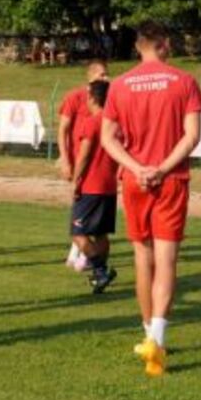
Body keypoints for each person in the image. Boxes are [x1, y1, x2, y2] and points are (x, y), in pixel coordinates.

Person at [101, 21, 201, 377]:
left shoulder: (119, 85)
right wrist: (161, 168)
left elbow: (108, 139)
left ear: (138, 46)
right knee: (167, 260)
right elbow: (191, 137)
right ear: (162, 44)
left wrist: (138, 168)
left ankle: (149, 335)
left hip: (134, 181)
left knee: (142, 259)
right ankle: (156, 340)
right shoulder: (184, 82)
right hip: (171, 180)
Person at [58, 60, 110, 269]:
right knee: (82, 210)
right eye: (102, 75)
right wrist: (65, 159)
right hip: (80, 163)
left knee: (85, 216)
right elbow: (63, 129)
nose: (106, 79)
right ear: (90, 77)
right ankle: (81, 255)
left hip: (96, 167)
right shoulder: (75, 97)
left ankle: (85, 258)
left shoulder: (108, 101)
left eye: (107, 75)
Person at [71, 80, 118, 294]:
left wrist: (76, 180)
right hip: (109, 185)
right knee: (101, 234)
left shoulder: (91, 122)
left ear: (92, 98)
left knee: (78, 233)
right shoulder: (114, 122)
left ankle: (101, 271)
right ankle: (100, 276)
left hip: (91, 186)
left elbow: (84, 154)